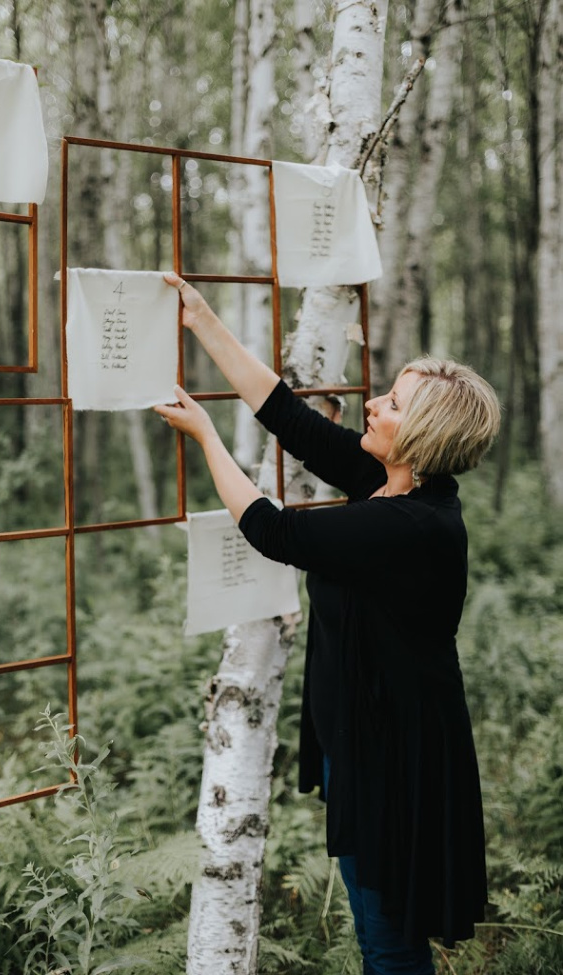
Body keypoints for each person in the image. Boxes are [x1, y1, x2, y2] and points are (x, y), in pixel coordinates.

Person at [155, 271, 501, 975]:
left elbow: (274, 532)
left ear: (423, 434)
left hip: (394, 756)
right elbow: (289, 417)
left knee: (387, 938)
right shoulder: (395, 482)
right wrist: (201, 319)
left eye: (393, 404)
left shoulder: (408, 524)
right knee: (380, 927)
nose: (372, 404)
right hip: (371, 731)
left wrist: (206, 436)